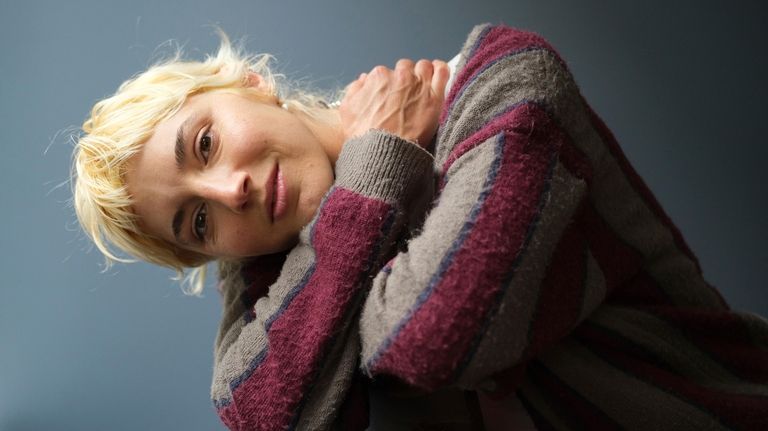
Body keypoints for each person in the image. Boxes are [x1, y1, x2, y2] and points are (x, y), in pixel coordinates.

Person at [73, 23, 768, 430]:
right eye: (197, 221)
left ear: (249, 82)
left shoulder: (504, 81)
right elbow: (255, 409)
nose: (231, 189)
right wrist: (371, 171)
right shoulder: (265, 259)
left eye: (204, 143)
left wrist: (374, 170)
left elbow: (429, 339)